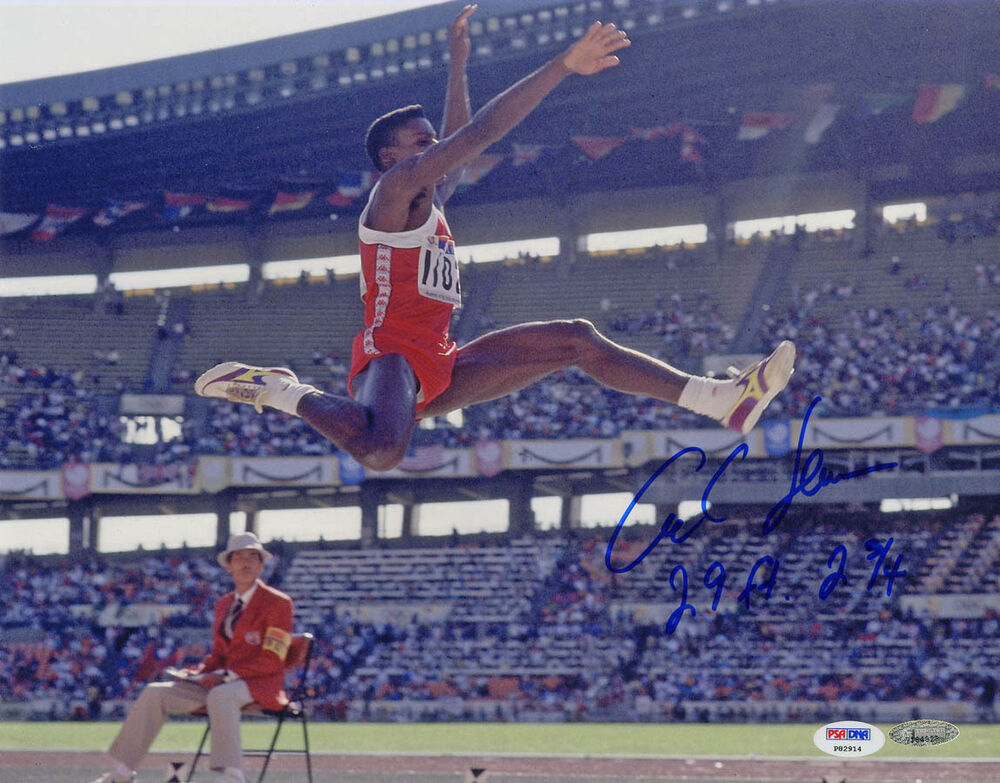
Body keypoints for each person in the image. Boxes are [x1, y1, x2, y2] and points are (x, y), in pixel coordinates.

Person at [196, 5, 795, 471]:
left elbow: (461, 139)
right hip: (394, 357)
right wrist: (562, 66)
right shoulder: (392, 196)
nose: (435, 149)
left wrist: (458, 67)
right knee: (382, 453)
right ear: (390, 157)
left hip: (441, 359)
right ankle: (280, 390)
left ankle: (721, 400)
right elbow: (478, 134)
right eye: (421, 142)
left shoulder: (429, 199)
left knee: (577, 340)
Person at [88, 533, 294, 783]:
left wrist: (224, 676)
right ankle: (121, 773)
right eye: (239, 557)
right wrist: (199, 674)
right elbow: (219, 655)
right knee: (155, 692)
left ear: (262, 565)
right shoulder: (223, 604)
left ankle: (232, 776)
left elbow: (273, 660)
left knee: (221, 694)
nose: (246, 562)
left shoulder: (279, 603)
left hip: (259, 684)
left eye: (253, 556)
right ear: (228, 565)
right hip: (224, 682)